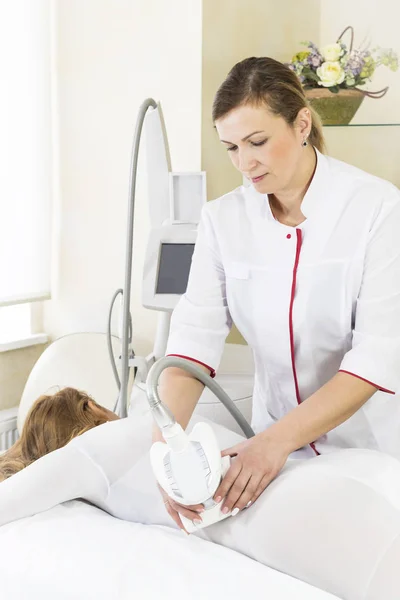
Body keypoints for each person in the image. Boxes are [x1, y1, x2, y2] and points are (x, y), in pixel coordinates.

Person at [154, 56, 400, 528]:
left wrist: (274, 443)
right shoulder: (222, 220)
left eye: (258, 142)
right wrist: (167, 449)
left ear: (302, 123)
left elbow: (374, 361)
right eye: (231, 147)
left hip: (368, 454)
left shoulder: (377, 210)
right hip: (274, 460)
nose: (245, 163)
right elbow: (190, 344)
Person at [1, 387, 400, 600]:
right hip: (337, 492)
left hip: (306, 528)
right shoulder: (134, 436)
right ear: (90, 405)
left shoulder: (91, 455)